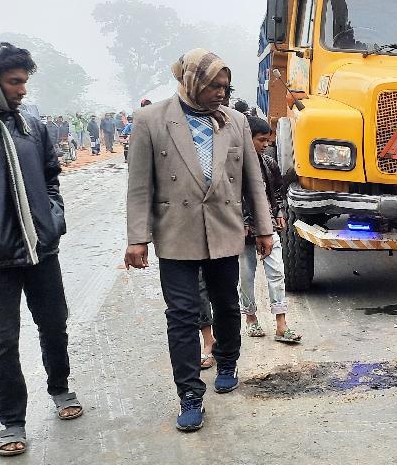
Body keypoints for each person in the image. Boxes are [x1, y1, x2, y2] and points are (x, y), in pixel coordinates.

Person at [124, 48, 274, 432]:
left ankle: (227, 361)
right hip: (175, 234)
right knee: (182, 316)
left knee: (226, 303)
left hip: (225, 230)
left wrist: (264, 228)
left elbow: (253, 181)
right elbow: (139, 186)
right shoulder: (150, 120)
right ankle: (189, 394)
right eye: (213, 86)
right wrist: (137, 238)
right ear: (191, 82)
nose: (221, 93)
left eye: (225, 86)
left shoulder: (236, 122)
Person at [0, 43, 84, 457]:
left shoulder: (31, 124)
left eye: (24, 81)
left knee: (54, 325)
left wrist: (52, 217)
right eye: (13, 81)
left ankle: (61, 389)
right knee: (3, 341)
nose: (21, 89)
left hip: (41, 251)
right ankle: (12, 421)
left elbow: (52, 176)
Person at [240, 116, 301, 343]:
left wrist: (279, 214)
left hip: (269, 228)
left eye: (268, 140)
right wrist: (247, 225)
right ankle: (251, 319)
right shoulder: (233, 167)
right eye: (261, 140)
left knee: (276, 273)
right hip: (243, 232)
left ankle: (281, 325)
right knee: (246, 277)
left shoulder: (269, 164)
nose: (266, 145)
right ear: (248, 138)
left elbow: (276, 193)